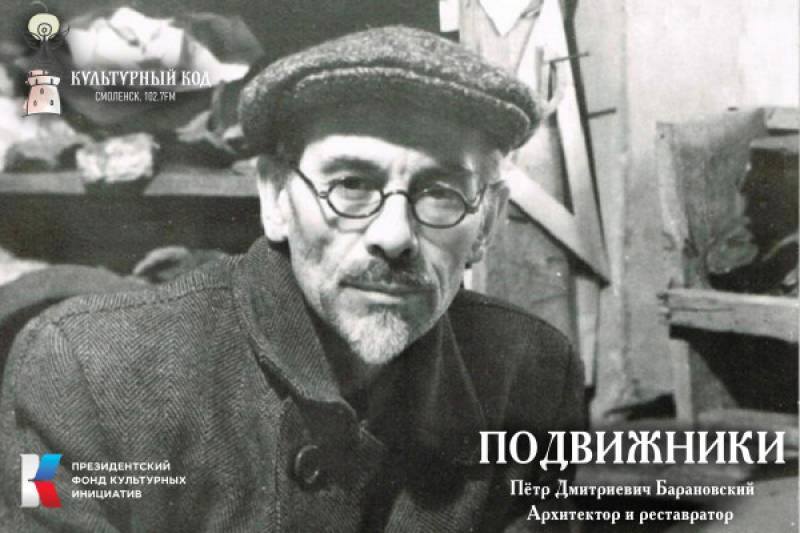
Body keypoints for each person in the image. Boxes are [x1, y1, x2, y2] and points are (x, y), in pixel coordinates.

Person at [0, 26, 584, 531]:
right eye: (351, 184)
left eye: (441, 192)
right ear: (276, 197)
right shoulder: (84, 370)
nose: (394, 236)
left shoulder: (532, 373)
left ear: (488, 222)